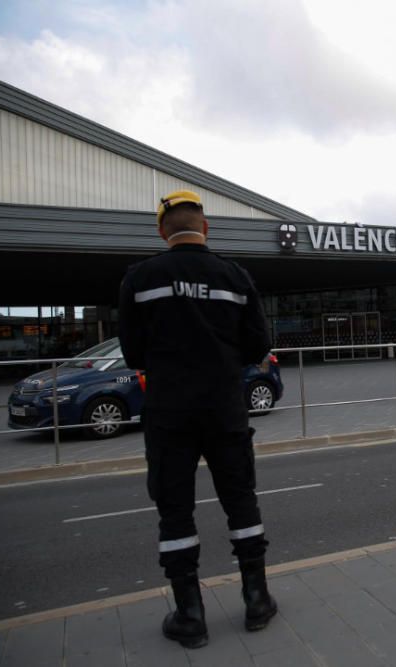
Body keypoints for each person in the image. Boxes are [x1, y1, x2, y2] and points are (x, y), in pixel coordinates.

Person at [118, 190, 277, 648]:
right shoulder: (235, 276)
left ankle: (190, 615)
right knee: (241, 500)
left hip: (169, 413)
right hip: (224, 409)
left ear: (161, 231)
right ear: (205, 228)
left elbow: (132, 353)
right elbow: (256, 346)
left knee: (174, 510)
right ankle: (256, 599)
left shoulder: (140, 279)